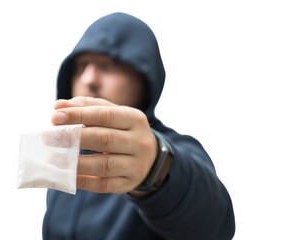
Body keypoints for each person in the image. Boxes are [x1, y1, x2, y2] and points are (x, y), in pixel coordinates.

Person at [43, 12, 235, 239]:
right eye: (81, 66)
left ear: (145, 81)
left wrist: (157, 168)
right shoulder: (65, 159)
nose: (88, 79)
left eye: (109, 65)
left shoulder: (179, 151)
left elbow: (215, 226)